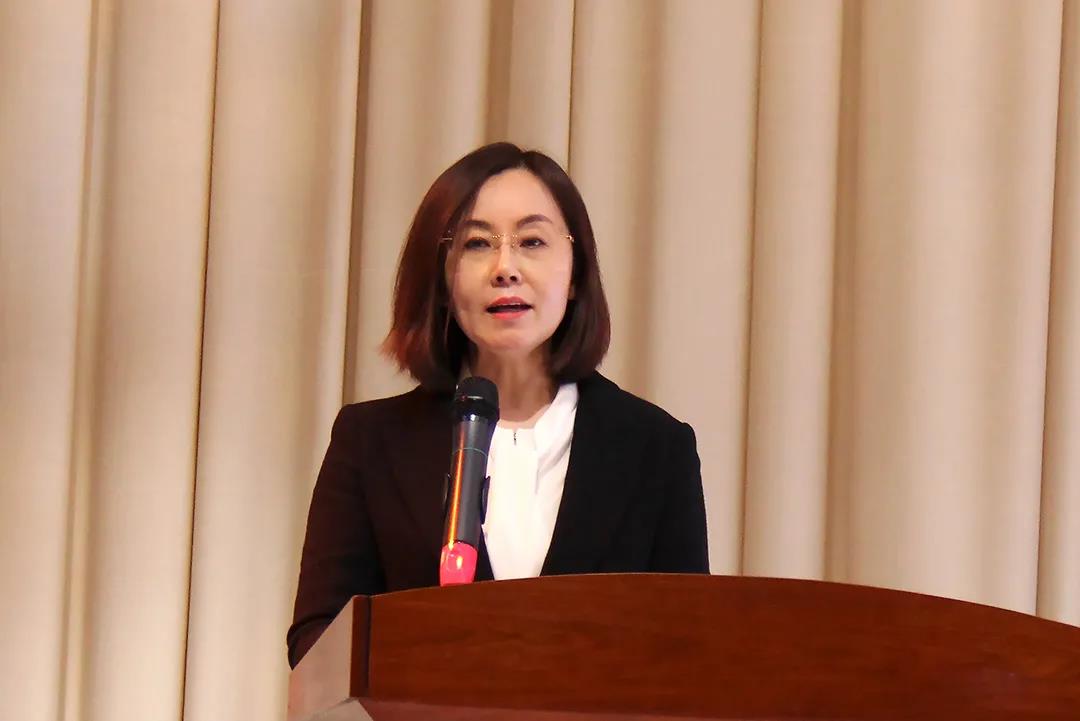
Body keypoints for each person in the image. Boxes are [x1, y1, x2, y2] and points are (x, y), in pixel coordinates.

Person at [286, 142, 708, 668]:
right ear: (442, 280)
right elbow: (317, 644)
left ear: (575, 273)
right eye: (477, 244)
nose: (505, 268)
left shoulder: (656, 448)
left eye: (532, 241)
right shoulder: (371, 440)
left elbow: (686, 652)